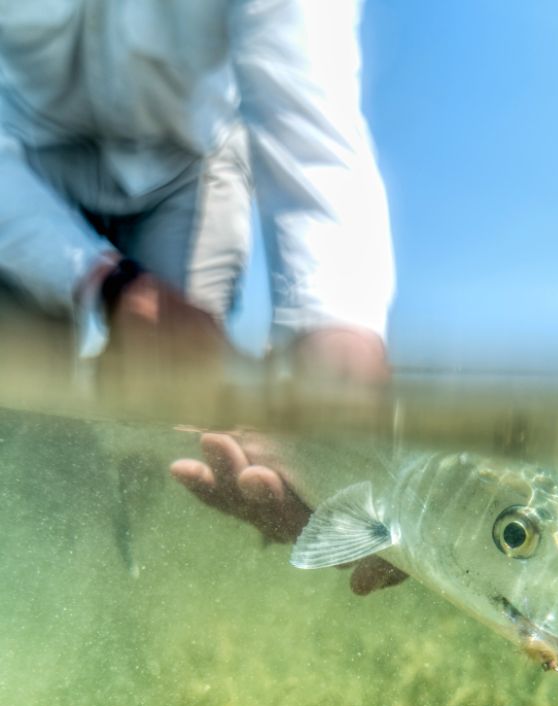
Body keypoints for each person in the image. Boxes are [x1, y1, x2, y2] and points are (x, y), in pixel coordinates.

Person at [0, 0, 403, 592]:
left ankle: (124, 560)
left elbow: (311, 117)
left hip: (190, 167)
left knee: (178, 402)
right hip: (20, 160)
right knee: (20, 396)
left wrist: (338, 332)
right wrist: (100, 280)